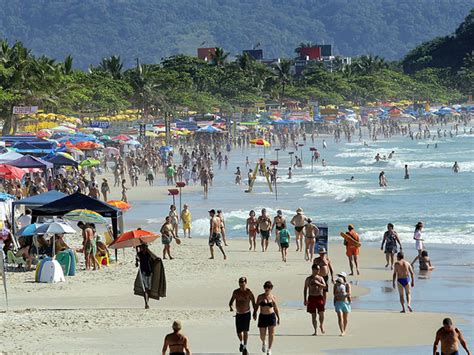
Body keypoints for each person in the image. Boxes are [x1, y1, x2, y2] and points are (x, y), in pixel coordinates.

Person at [228, 277, 256, 353]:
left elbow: (254, 303)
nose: (241, 283)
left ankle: (245, 347)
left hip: (246, 313)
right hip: (238, 314)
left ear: (245, 283)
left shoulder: (249, 292)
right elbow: (231, 302)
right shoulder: (236, 292)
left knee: (245, 330)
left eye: (242, 282)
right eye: (240, 282)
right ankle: (241, 342)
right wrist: (231, 307)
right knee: (238, 332)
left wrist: (255, 313)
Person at [255, 281, 280, 355]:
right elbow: (256, 306)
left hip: (271, 316)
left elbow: (275, 308)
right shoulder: (260, 297)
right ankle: (263, 342)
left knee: (271, 334)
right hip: (262, 316)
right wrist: (254, 314)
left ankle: (269, 349)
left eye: (269, 287)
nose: (267, 288)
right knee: (262, 335)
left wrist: (278, 317)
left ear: (271, 288)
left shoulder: (273, 297)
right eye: (266, 287)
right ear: (264, 287)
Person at [304, 264, 326, 336]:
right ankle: (315, 330)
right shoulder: (308, 279)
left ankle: (321, 325)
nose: (319, 271)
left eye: (319, 269)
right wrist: (305, 299)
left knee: (321, 313)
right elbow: (305, 289)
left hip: (319, 297)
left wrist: (318, 283)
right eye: (317, 269)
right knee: (313, 315)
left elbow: (325, 286)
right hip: (311, 297)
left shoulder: (320, 278)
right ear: (313, 270)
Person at [136, 243, 153, 309]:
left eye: (145, 247)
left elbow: (152, 260)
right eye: (143, 248)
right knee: (145, 289)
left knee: (148, 289)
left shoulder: (148, 254)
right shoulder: (139, 255)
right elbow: (137, 264)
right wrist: (137, 261)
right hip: (143, 272)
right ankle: (146, 303)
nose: (144, 249)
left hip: (149, 272)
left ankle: (147, 302)